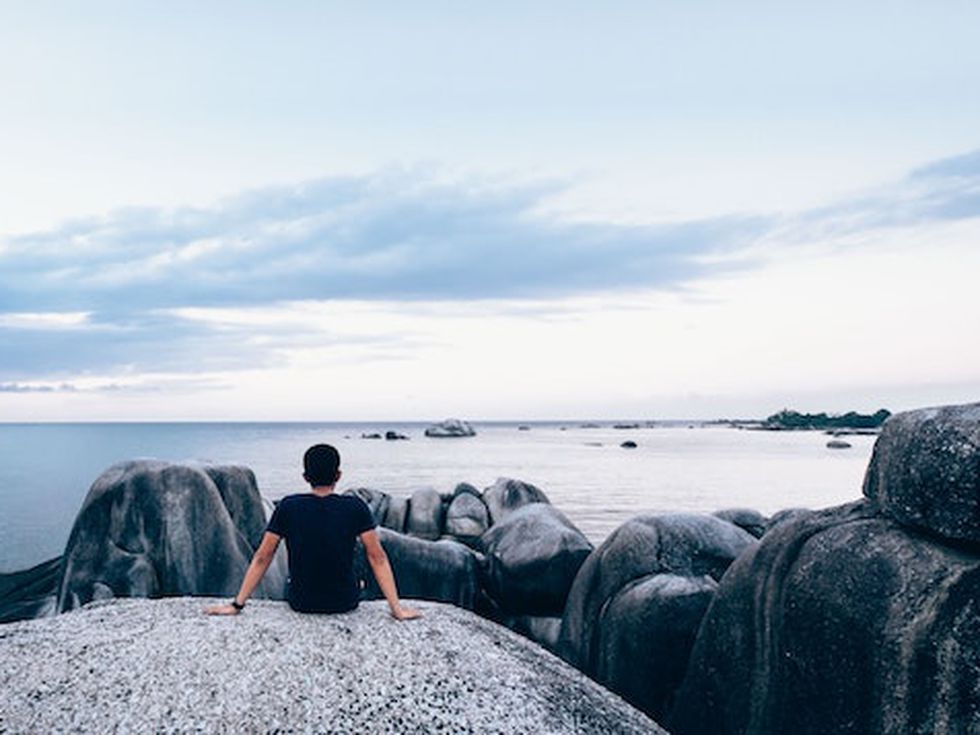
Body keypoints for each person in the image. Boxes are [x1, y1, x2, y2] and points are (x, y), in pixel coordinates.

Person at [206, 443, 421, 620]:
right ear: (338, 475)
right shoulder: (355, 506)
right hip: (344, 602)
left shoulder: (289, 506)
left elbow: (263, 557)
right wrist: (397, 609)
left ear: (305, 476)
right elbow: (378, 557)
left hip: (301, 602)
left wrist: (237, 604)